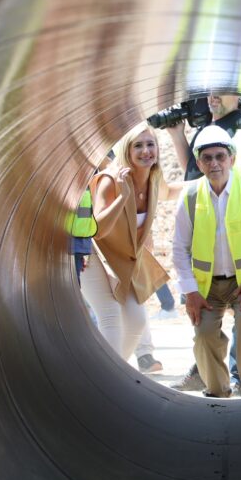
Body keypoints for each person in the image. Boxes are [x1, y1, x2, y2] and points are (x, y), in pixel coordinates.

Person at [172, 126, 241, 397]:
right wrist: (191, 291)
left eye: (220, 156)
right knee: (204, 333)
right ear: (199, 164)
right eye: (207, 158)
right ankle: (217, 392)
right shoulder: (190, 196)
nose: (214, 163)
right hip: (206, 287)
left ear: (232, 159)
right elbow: (180, 248)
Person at [80, 123, 184, 366]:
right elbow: (98, 229)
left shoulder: (153, 178)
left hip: (121, 256)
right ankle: (108, 376)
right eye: (138, 145)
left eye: (150, 144)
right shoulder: (110, 180)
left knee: (136, 321)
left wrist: (208, 182)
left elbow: (169, 193)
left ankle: (114, 372)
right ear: (127, 150)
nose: (146, 151)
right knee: (110, 314)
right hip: (93, 252)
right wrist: (123, 197)